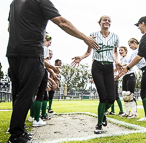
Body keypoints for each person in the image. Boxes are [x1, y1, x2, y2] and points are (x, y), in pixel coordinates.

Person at [7, 0, 99, 142]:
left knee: (18, 93)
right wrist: (85, 38)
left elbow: (9, 28)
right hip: (31, 52)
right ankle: (16, 135)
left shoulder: (15, 2)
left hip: (13, 52)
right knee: (27, 94)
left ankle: (18, 129)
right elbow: (61, 22)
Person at [71, 15, 120, 134]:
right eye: (104, 20)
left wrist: (117, 61)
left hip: (109, 67)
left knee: (112, 98)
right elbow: (89, 51)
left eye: (109, 20)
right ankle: (99, 124)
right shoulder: (93, 35)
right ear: (100, 23)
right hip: (97, 67)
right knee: (103, 96)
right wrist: (81, 57)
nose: (107, 22)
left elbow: (115, 52)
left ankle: (102, 114)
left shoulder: (115, 37)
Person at [128, 38, 146, 121]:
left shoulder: (135, 52)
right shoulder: (145, 48)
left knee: (143, 93)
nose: (130, 47)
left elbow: (130, 63)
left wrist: (124, 67)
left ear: (134, 43)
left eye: (130, 45)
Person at [119, 46, 138, 119]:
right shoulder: (121, 59)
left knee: (130, 95)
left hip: (130, 76)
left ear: (126, 51)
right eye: (119, 50)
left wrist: (122, 65)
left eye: (122, 50)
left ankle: (134, 113)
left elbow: (128, 65)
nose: (120, 52)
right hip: (125, 77)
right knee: (124, 95)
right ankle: (126, 112)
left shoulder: (129, 57)